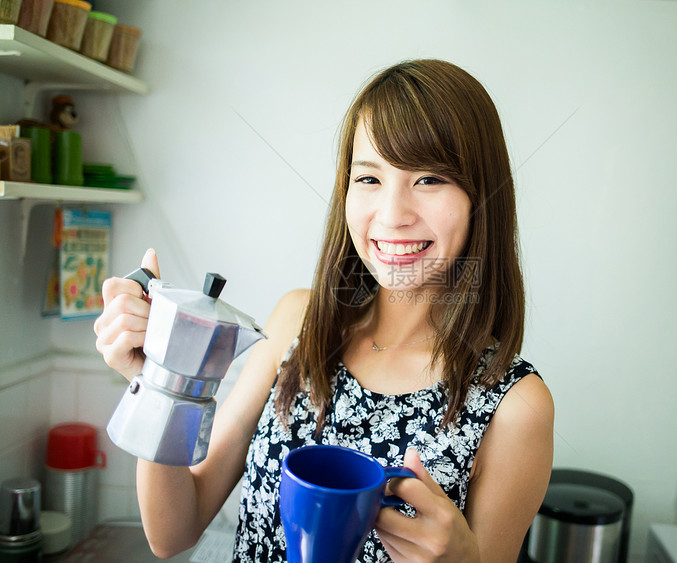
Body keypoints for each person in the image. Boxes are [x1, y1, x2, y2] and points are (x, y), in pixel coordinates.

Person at [94, 59, 554, 562]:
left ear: (481, 198)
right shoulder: (296, 322)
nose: (393, 214)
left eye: (429, 179)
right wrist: (163, 381)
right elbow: (173, 532)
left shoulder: (515, 406)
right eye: (369, 179)